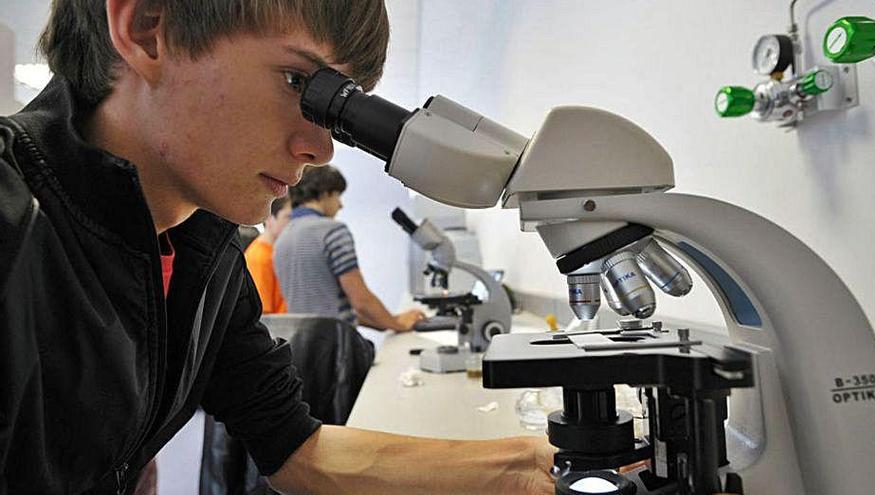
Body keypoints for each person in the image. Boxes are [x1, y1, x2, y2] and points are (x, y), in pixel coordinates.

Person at [0, 1, 554, 494]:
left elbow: (299, 453)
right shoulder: (12, 215)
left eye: (333, 108)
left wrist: (530, 467)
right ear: (148, 27)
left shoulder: (202, 252)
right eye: (297, 81)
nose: (319, 148)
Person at [275, 165, 425, 332]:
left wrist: (388, 321)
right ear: (325, 193)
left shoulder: (282, 241)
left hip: (304, 348)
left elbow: (326, 309)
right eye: (338, 196)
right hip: (337, 346)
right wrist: (398, 325)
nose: (340, 205)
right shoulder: (332, 231)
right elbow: (361, 301)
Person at [245, 196, 293, 314]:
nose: (292, 224)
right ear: (269, 219)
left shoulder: (275, 252)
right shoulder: (260, 257)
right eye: (288, 218)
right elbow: (262, 313)